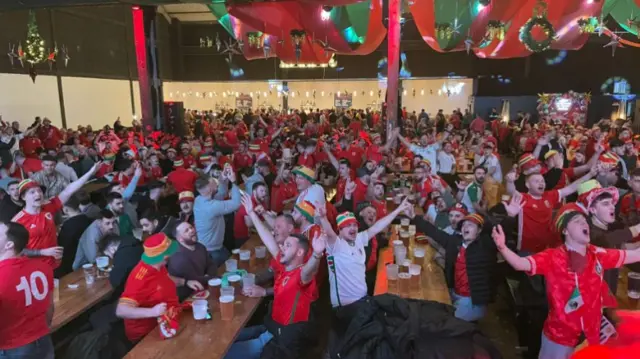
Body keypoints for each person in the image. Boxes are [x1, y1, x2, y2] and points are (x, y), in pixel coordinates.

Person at [493, 203, 640, 359]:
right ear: (565, 230)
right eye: (577, 221)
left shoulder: (597, 253)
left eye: (585, 221)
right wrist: (502, 247)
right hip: (559, 338)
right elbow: (519, 263)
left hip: (592, 335)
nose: (584, 223)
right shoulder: (552, 257)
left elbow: (636, 255)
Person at [226, 197, 326, 359]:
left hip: (281, 339)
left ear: (300, 253)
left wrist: (316, 254)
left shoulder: (301, 275)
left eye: (287, 245)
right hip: (271, 327)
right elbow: (268, 239)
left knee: (226, 353)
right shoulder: (286, 267)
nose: (280, 246)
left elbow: (310, 270)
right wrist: (251, 212)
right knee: (229, 336)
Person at [12, 162, 100, 269]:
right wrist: (43, 252)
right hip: (35, 269)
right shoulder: (17, 221)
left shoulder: (48, 207)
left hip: (56, 264)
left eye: (39, 191)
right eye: (32, 192)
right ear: (23, 197)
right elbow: (18, 251)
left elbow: (69, 190)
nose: (38, 194)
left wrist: (91, 172)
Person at [0, 222, 54, 359]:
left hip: (12, 348)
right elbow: (50, 307)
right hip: (43, 339)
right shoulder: (43, 267)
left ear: (9, 244)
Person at [116, 233, 180, 344]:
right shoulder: (140, 279)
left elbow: (167, 279)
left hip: (167, 320)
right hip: (147, 334)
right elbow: (121, 310)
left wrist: (186, 282)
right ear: (164, 256)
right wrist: (153, 311)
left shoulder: (159, 265)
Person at [194, 167, 241, 266]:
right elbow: (236, 203)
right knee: (229, 269)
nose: (217, 183)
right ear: (209, 188)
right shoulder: (212, 207)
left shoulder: (199, 199)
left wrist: (223, 178)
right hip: (213, 252)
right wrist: (234, 182)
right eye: (214, 182)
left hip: (210, 248)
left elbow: (220, 194)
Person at [167, 222, 216, 300]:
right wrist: (217, 277)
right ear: (180, 239)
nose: (191, 230)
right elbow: (195, 280)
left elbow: (211, 264)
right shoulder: (178, 257)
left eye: (191, 227)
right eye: (186, 230)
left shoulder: (200, 246)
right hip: (187, 298)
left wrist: (208, 275)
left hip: (204, 287)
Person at [56, 195, 93, 277]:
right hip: (89, 260)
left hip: (73, 267)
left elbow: (63, 248)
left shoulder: (68, 226)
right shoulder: (88, 220)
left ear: (65, 209)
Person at [234, 181, 270, 246]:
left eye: (265, 191)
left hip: (254, 234)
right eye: (261, 191)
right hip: (243, 238)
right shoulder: (248, 203)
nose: (264, 193)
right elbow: (249, 224)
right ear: (254, 192)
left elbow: (264, 220)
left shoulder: (262, 202)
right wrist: (254, 212)